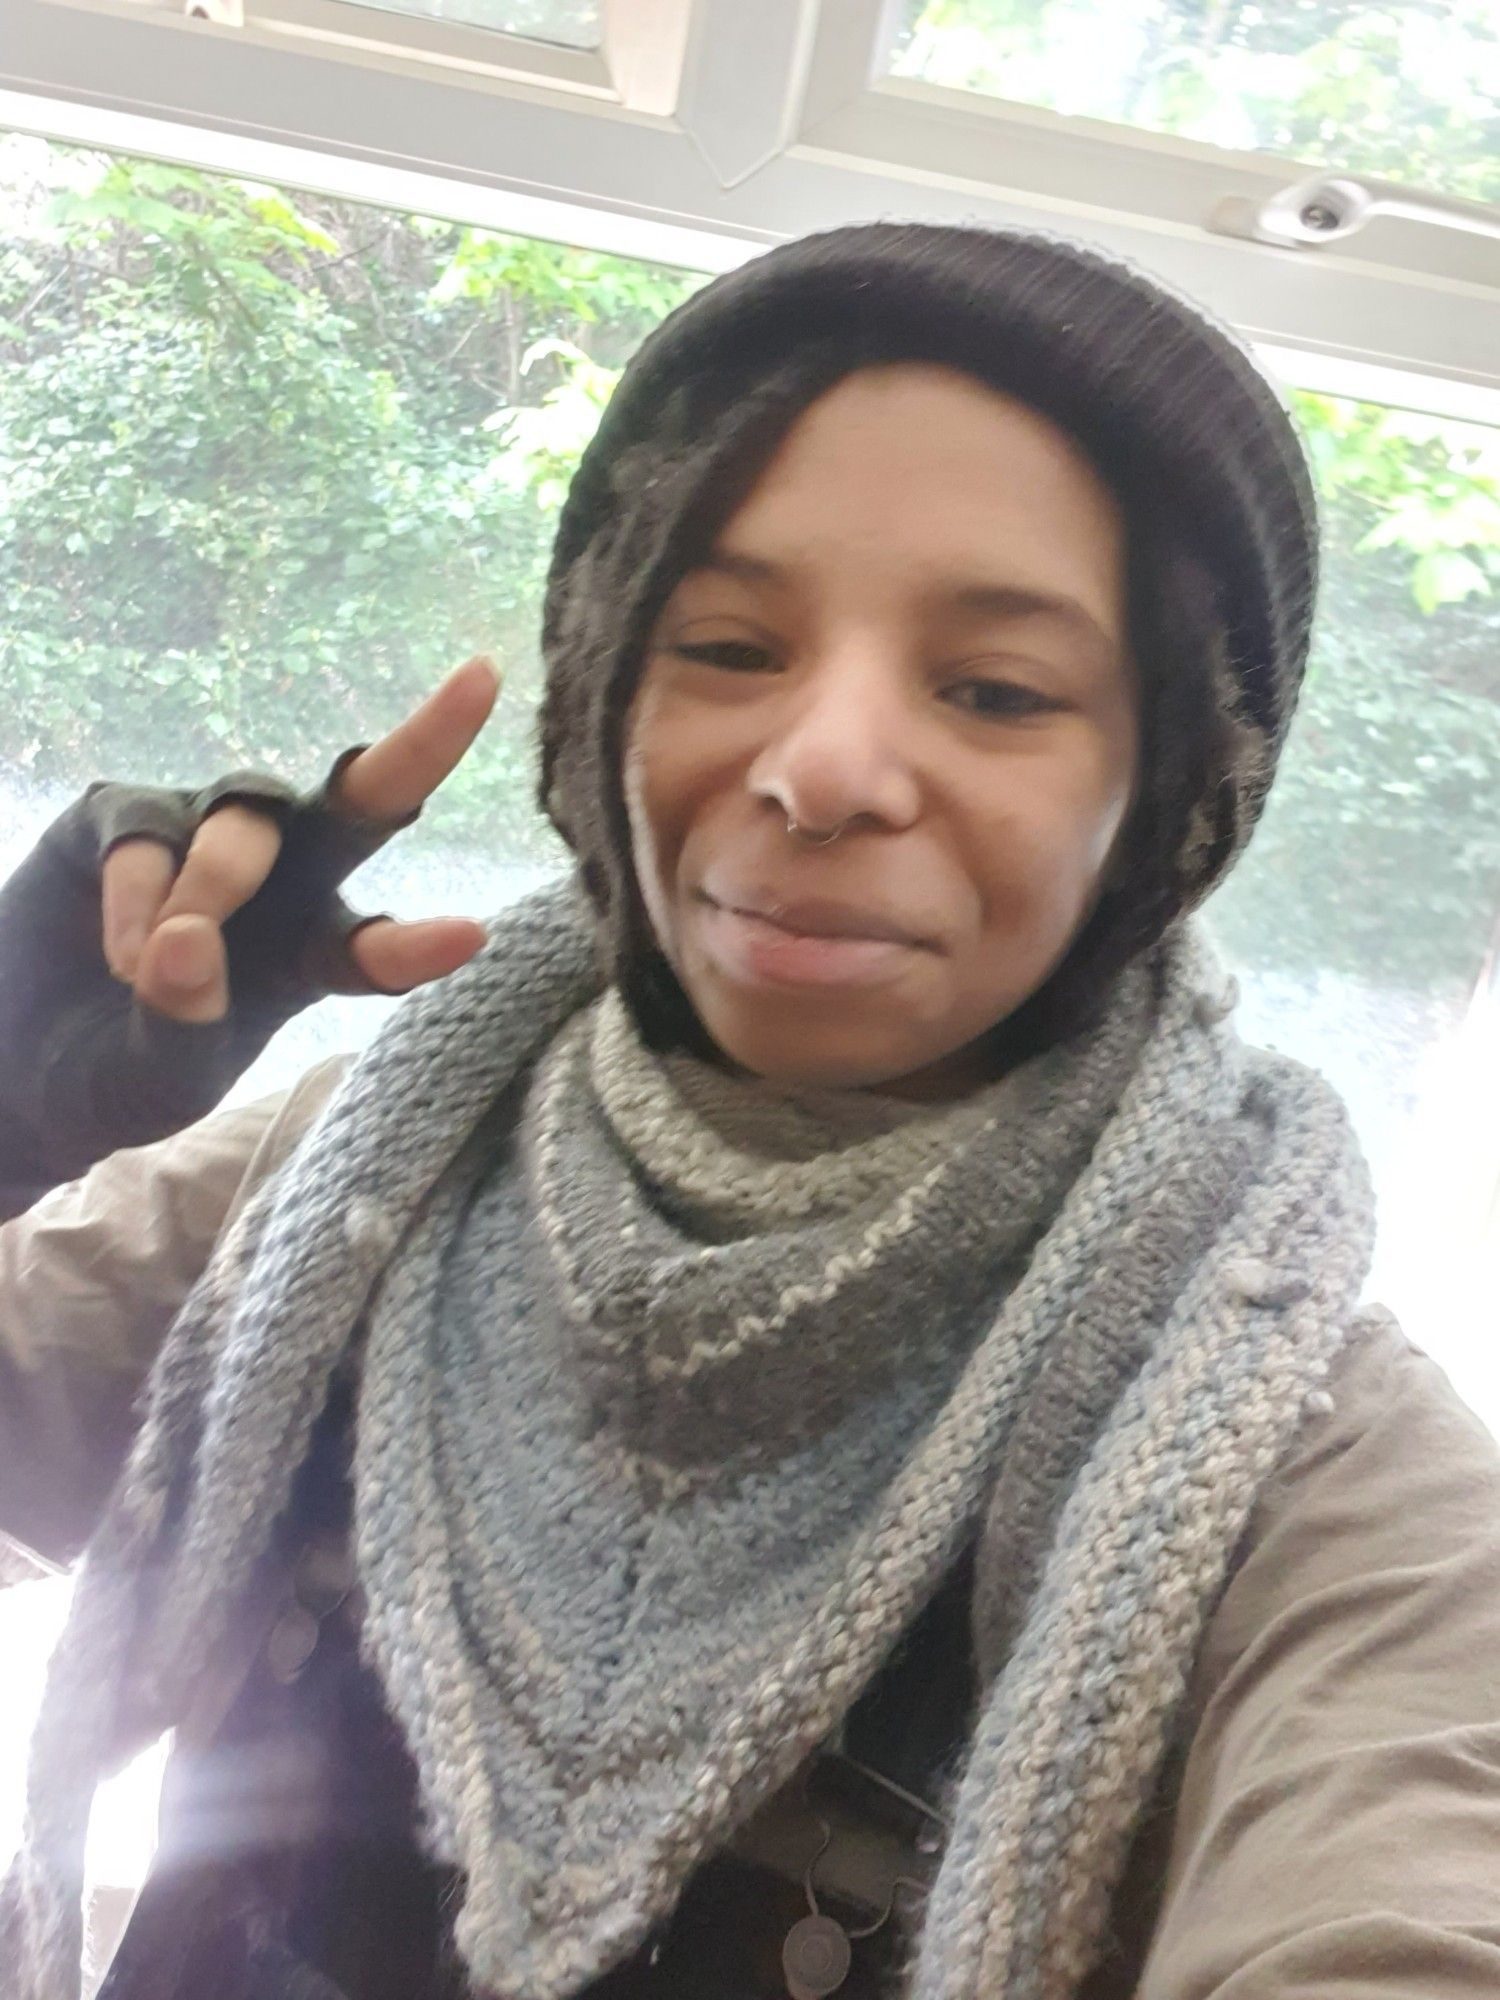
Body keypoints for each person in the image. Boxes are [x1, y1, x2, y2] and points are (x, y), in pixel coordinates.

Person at [1, 221, 1498, 2000]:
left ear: (1172, 788)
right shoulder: (362, 1162)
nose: (821, 769)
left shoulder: (1297, 1453)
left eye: (997, 689)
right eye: (724, 643)